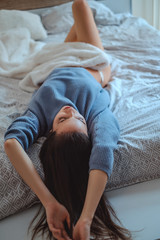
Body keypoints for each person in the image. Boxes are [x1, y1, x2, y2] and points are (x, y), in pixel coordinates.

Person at [4, 0, 132, 239]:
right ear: (89, 126)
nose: (70, 110)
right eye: (79, 120)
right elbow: (103, 149)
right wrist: (86, 218)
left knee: (79, 12)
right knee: (81, 5)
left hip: (56, 62)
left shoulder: (38, 115)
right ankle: (81, 29)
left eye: (62, 119)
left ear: (50, 132)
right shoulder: (96, 110)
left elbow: (11, 143)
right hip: (89, 63)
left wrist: (50, 203)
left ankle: (77, 29)